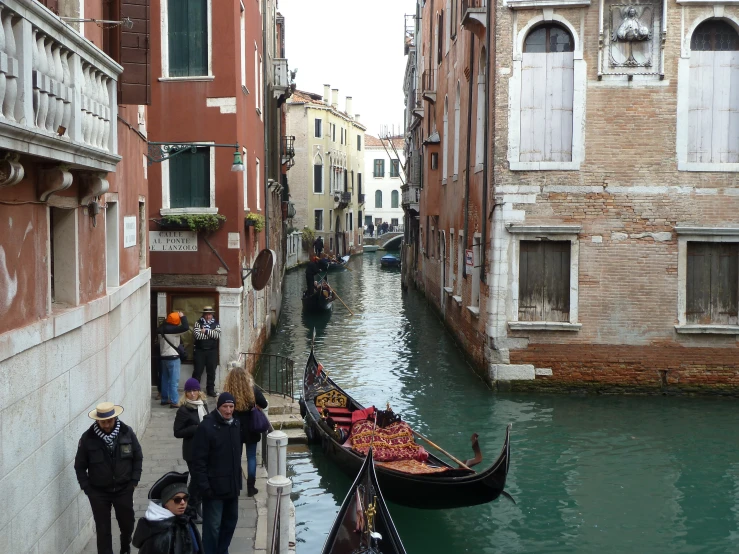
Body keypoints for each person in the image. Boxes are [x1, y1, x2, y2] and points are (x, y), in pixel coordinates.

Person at [74, 402, 143, 554]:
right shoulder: (87, 438)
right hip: (98, 492)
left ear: (115, 417)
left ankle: (125, 547)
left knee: (127, 524)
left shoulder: (127, 432)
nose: (106, 425)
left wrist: (134, 481)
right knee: (102, 529)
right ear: (97, 420)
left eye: (109, 421)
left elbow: (138, 457)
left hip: (124, 489)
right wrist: (87, 489)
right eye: (103, 422)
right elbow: (79, 466)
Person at [191, 392, 242, 554]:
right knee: (212, 528)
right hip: (213, 489)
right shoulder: (206, 427)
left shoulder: (236, 425)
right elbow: (198, 461)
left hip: (232, 487)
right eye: (225, 407)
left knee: (230, 522)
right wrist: (205, 487)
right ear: (218, 407)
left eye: (231, 406)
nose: (228, 410)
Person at [223, 365, 269, 497]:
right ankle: (250, 487)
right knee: (251, 457)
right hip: (251, 428)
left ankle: (236, 485)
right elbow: (264, 403)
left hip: (234, 427)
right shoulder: (252, 390)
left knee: (235, 457)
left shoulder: (228, 392)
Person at [132, 471, 203, 554]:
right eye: (177, 500)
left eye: (185, 498)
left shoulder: (186, 520)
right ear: (166, 503)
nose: (183, 502)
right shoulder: (158, 532)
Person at [173, 378, 210, 523]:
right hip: (192, 451)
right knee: (197, 481)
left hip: (205, 450)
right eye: (189, 391)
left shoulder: (203, 405)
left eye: (195, 391)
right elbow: (177, 432)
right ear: (186, 393)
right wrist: (195, 428)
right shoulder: (183, 410)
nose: (193, 394)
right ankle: (191, 510)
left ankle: (195, 508)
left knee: (201, 480)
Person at [157, 311, 190, 408]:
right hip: (173, 357)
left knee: (165, 379)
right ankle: (174, 401)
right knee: (174, 381)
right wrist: (183, 317)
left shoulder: (161, 329)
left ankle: (164, 399)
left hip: (163, 357)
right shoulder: (174, 331)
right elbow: (186, 327)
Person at [193, 306, 221, 398]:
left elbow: (217, 335)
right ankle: (194, 389)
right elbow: (197, 336)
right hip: (200, 351)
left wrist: (205, 331)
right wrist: (210, 334)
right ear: (203, 315)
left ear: (212, 314)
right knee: (197, 371)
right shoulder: (198, 323)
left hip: (212, 351)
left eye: (209, 314)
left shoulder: (216, 324)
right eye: (206, 314)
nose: (208, 316)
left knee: (211, 371)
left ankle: (210, 390)